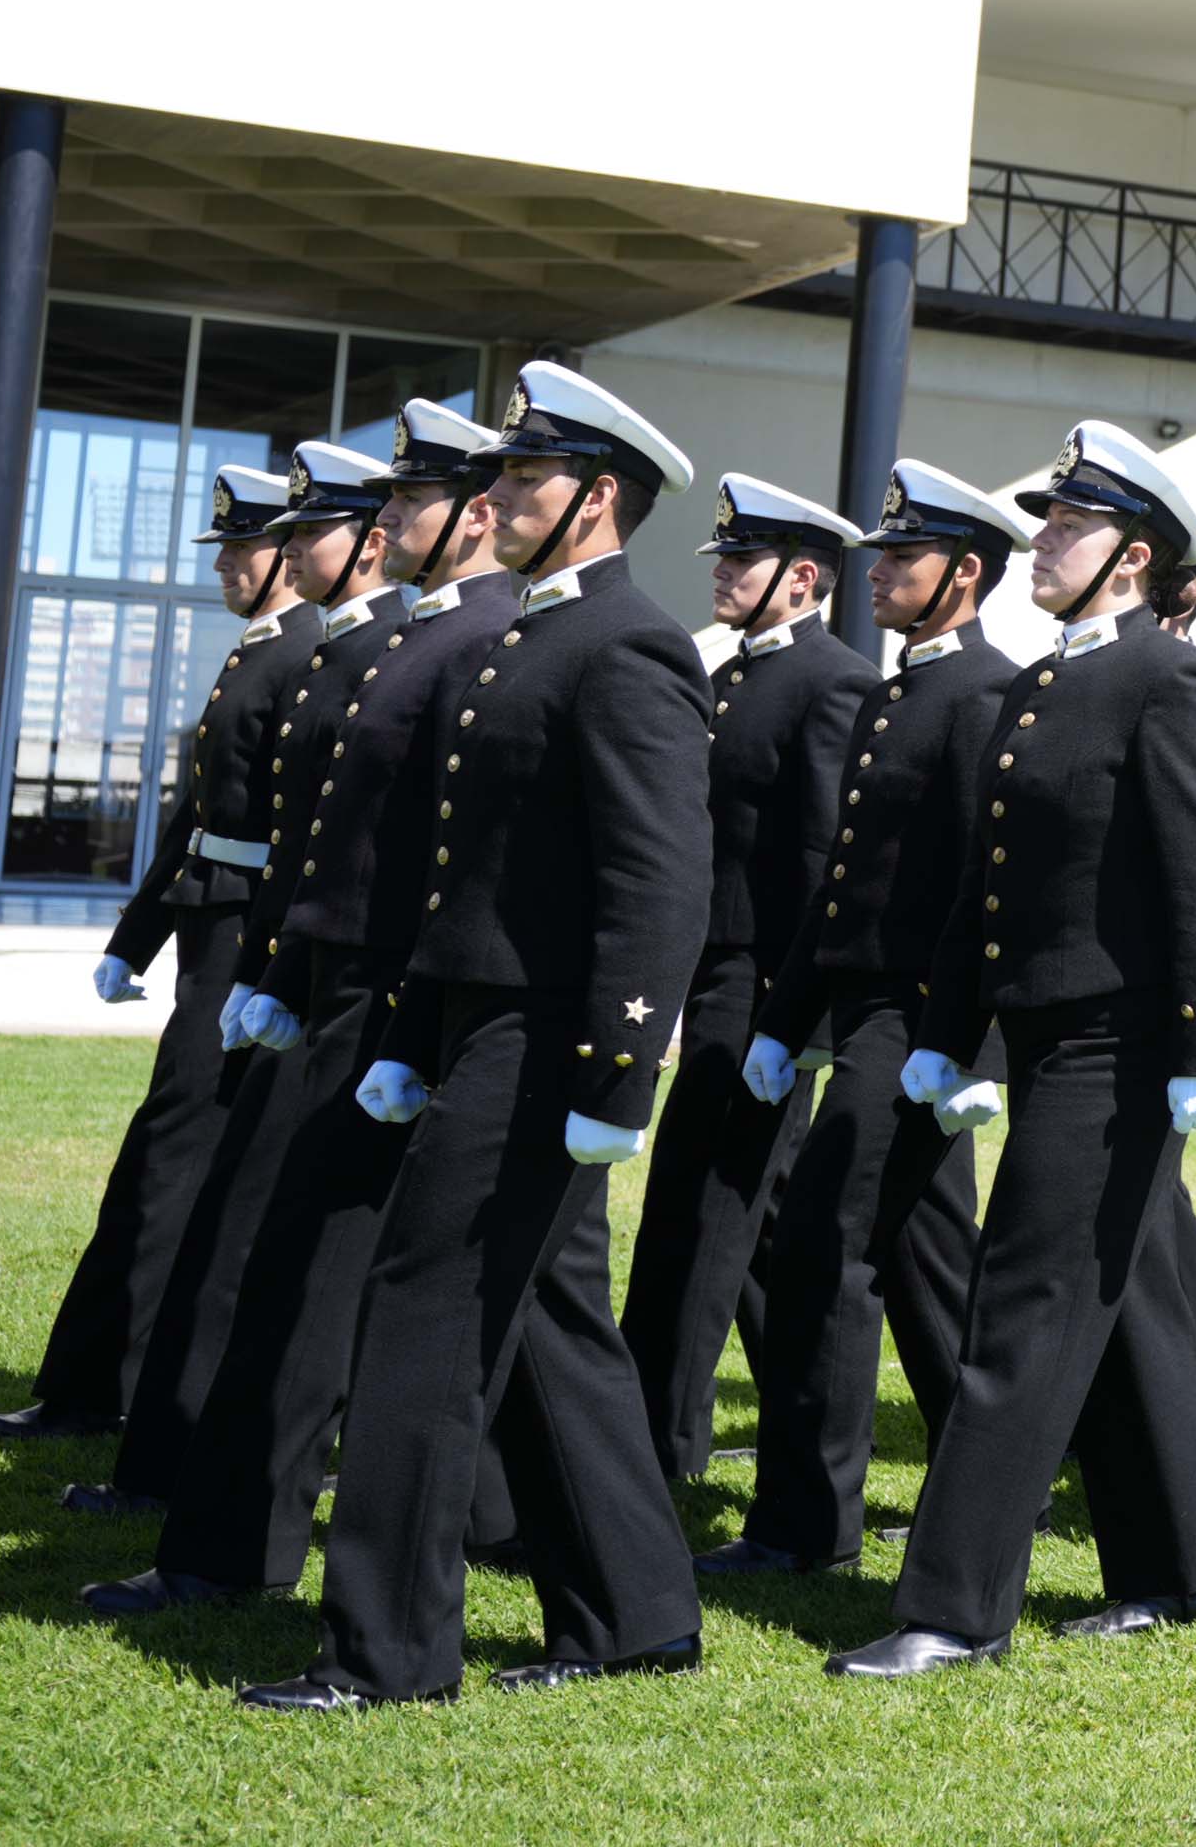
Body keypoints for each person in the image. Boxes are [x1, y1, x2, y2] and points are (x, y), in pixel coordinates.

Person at [244, 364, 713, 1712]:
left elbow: (658, 877)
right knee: (553, 1327)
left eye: (525, 476)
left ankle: (387, 1653)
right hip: (474, 1019)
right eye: (499, 474)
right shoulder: (528, 637)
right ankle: (635, 1615)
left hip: (548, 1036)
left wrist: (621, 1069)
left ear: (597, 497)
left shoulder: (627, 645)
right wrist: (412, 1029)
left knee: (425, 1315)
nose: (498, 495)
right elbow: (470, 872)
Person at [825, 425, 1196, 1678]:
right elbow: (991, 884)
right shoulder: (1040, 685)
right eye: (1048, 521)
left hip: (1121, 1045)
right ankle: (1182, 1572)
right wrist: (950, 1033)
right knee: (1122, 1309)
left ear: (1133, 557)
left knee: (1024, 1305)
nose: (1044, 541)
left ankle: (955, 1610)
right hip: (1040, 1031)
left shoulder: (1175, 682)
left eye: (1071, 526)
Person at [82, 419, 494, 1619]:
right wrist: (270, 965)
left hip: (403, 1002)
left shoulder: (465, 643)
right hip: (331, 982)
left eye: (404, 503)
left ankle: (234, 1547)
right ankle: (602, 1581)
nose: (384, 522)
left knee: (332, 1275)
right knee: (298, 1265)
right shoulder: (401, 640)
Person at [704, 460, 1013, 1579]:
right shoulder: (895, 694)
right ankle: (1001, 1470)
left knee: (825, 1246)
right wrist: (785, 1020)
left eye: (903, 556)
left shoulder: (988, 695)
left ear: (964, 573)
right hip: (865, 1005)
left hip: (924, 1017)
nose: (876, 573)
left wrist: (972, 1047)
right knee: (928, 1262)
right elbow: (840, 886)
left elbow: (995, 889)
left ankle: (805, 1529)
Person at [0, 462, 316, 1454]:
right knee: (162, 1157)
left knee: (177, 1162)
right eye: (225, 550)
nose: (225, 566)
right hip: (213, 932)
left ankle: (119, 1388)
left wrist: (264, 965)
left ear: (290, 553)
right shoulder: (259, 652)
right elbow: (195, 817)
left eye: (242, 548)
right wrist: (135, 937)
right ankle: (101, 1383)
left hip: (251, 943)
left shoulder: (305, 657)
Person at [622, 477, 874, 1481]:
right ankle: (796, 1420)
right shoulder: (732, 676)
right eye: (722, 557)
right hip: (713, 970)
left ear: (802, 577)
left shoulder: (832, 682)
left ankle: (655, 1447)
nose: (721, 572)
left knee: (698, 1212)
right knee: (754, 1218)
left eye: (741, 559)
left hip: (762, 980)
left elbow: (822, 863)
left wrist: (795, 1013)